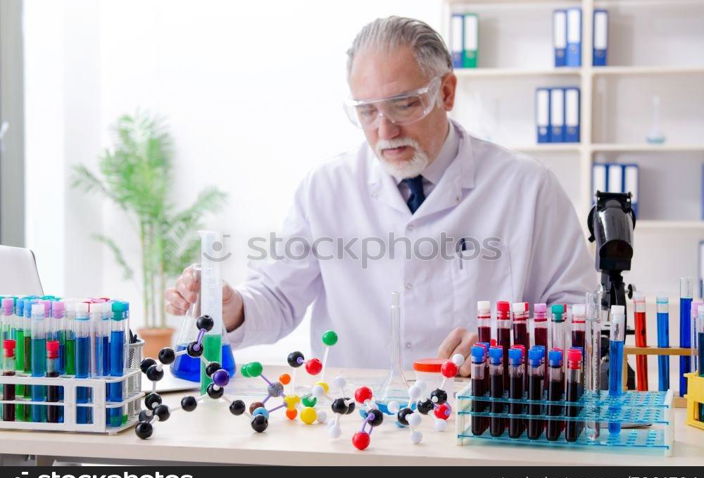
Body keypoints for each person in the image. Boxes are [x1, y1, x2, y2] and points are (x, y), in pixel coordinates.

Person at [165, 16, 596, 376]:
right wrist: (232, 306)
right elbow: (277, 300)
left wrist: (505, 346)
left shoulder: (526, 187)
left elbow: (577, 314)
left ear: (446, 92)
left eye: (404, 104)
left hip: (479, 410)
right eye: (367, 110)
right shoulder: (326, 188)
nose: (384, 130)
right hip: (357, 421)